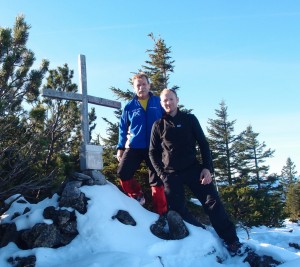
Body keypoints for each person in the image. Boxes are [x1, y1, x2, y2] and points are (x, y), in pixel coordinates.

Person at [149, 88, 242, 255]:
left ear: (177, 100)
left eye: (170, 99)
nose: (168, 103)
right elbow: (152, 152)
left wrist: (207, 168)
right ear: (161, 104)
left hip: (194, 169)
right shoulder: (158, 125)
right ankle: (201, 233)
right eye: (164, 101)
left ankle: (231, 240)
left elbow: (203, 144)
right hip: (171, 174)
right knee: (176, 209)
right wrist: (162, 174)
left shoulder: (189, 119)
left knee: (212, 202)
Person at [116, 73, 167, 216]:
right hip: (135, 146)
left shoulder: (158, 102)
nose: (141, 87)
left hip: (155, 147)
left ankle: (161, 214)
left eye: (144, 84)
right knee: (123, 172)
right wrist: (120, 147)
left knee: (157, 181)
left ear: (149, 85)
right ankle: (137, 195)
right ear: (134, 88)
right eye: (138, 85)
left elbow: (168, 121)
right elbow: (122, 128)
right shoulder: (129, 106)